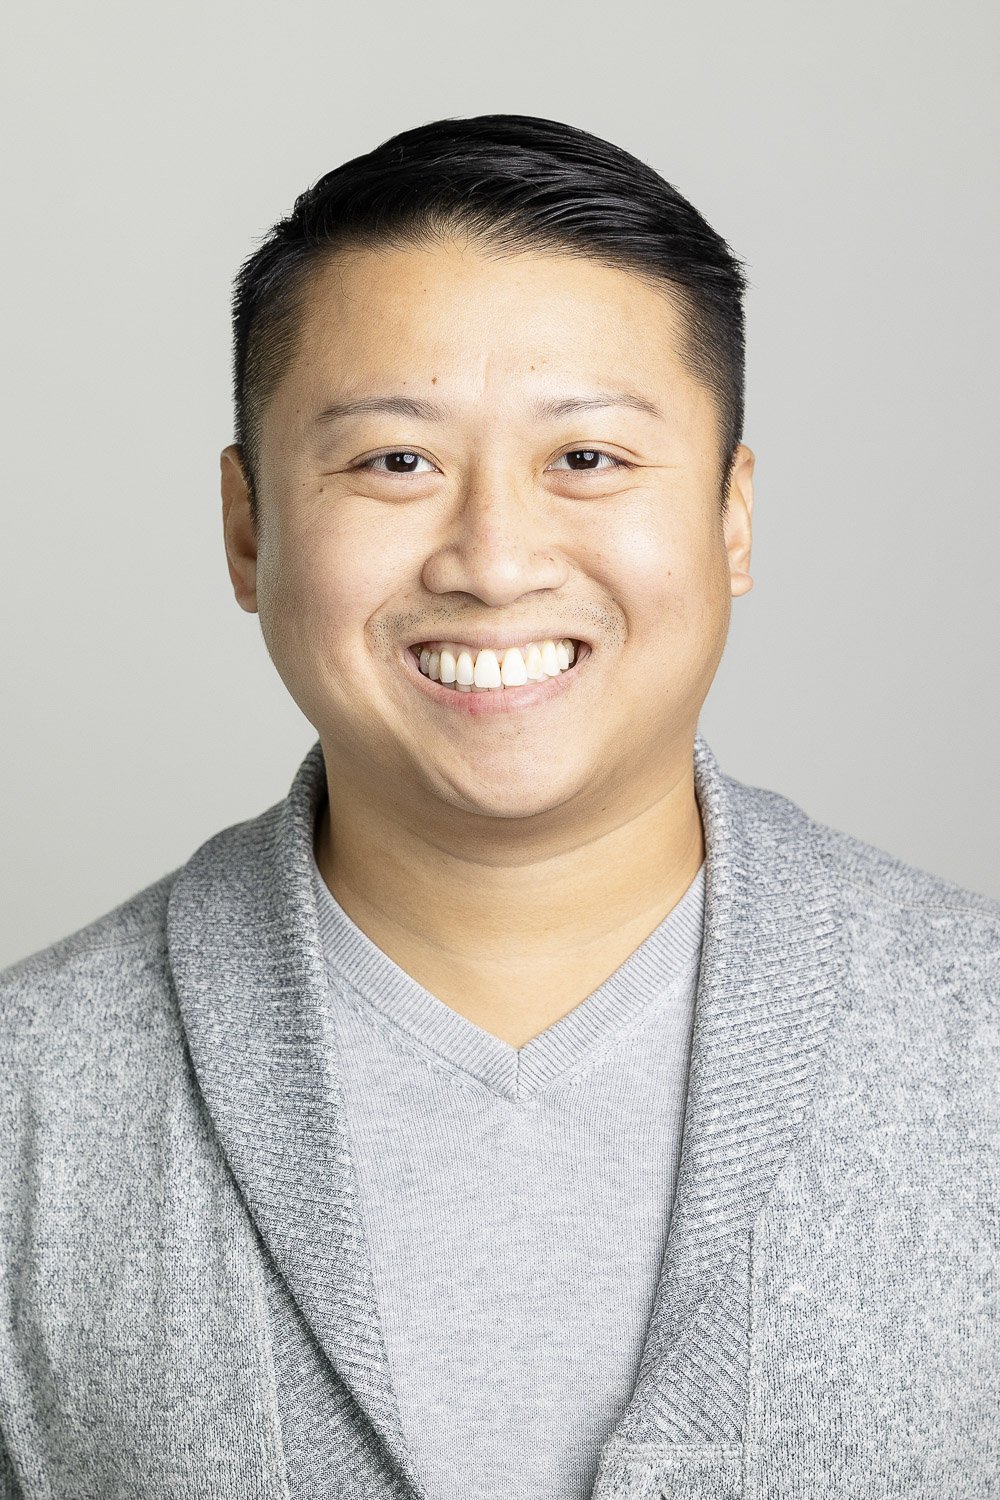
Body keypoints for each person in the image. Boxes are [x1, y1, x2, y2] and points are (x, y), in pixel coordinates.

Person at [1, 113, 996, 1500]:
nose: (494, 557)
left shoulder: (975, 1046)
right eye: (395, 462)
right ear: (247, 529)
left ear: (731, 520)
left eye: (587, 458)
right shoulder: (28, 1097)